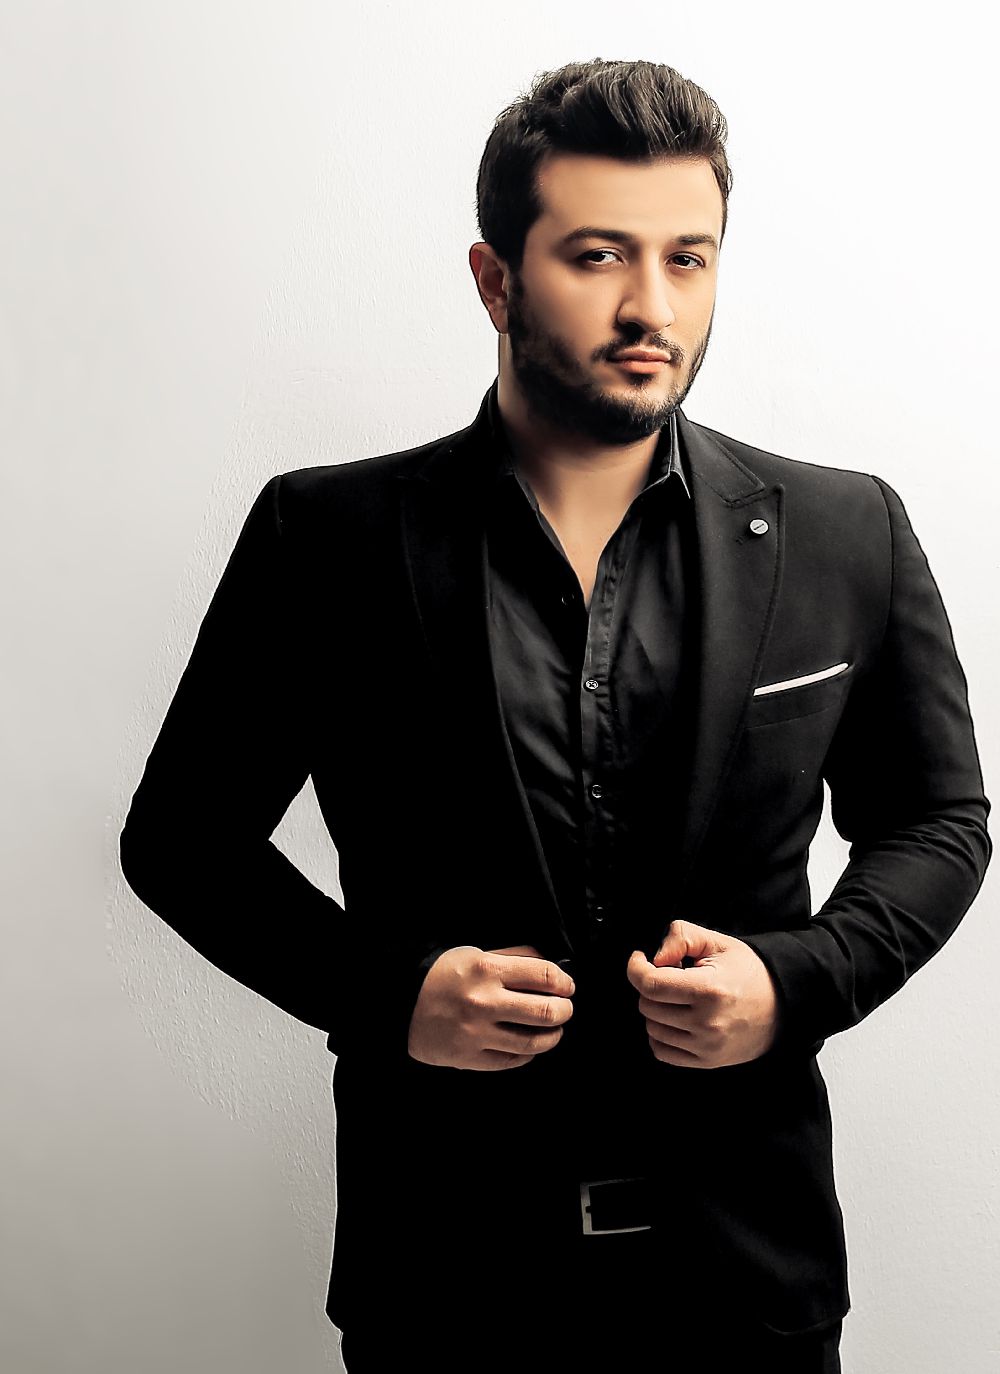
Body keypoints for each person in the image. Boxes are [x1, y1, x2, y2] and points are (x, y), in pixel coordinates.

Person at [120, 58, 990, 1374]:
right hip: (449, 1282)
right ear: (495, 280)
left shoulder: (844, 530)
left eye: (688, 258)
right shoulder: (327, 535)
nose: (652, 306)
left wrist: (797, 980)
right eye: (598, 256)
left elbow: (937, 819)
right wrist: (392, 994)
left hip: (745, 1279)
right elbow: (182, 839)